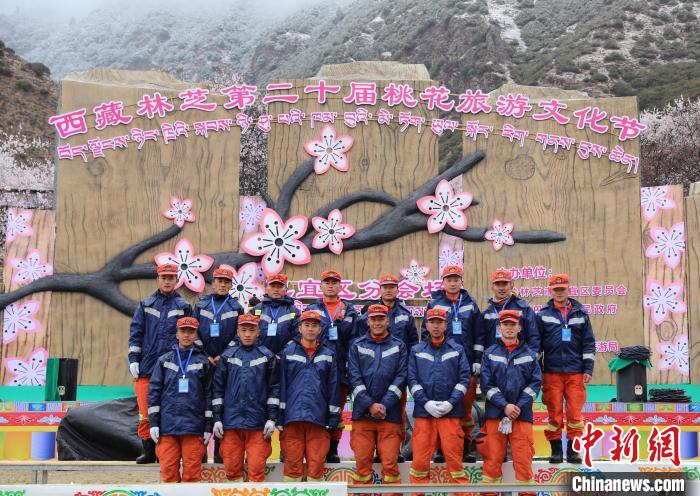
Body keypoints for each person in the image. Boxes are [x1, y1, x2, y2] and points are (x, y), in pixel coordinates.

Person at [128, 263, 192, 464]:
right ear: (158, 279)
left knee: (172, 411)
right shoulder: (145, 305)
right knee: (145, 412)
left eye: (171, 278)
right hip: (147, 368)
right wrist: (133, 359)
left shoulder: (183, 306)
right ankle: (148, 451)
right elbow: (136, 334)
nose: (167, 281)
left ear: (176, 280)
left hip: (174, 369)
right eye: (164, 277)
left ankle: (170, 453)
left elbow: (190, 337)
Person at [477, 309, 542, 493]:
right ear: (499, 328)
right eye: (505, 324)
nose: (509, 328)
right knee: (492, 463)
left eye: (513, 324)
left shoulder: (530, 355)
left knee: (524, 463)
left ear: (519, 328)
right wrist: (505, 406)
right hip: (495, 416)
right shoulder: (489, 354)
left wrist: (517, 407)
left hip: (521, 416)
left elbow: (535, 385)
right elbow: (487, 385)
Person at [422, 265, 482, 462]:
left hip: (466, 366)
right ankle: (440, 449)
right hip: (441, 366)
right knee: (441, 407)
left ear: (461, 281)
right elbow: (426, 332)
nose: (453, 283)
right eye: (449, 280)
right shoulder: (435, 303)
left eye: (456, 280)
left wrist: (477, 359)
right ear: (443, 282)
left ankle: (465, 448)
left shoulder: (470, 303)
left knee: (465, 410)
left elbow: (479, 333)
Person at [212, 314, 279, 482]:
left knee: (257, 469)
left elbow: (274, 389)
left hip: (258, 424)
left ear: (258, 332)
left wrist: (272, 418)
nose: (247, 334)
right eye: (243, 330)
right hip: (231, 423)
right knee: (232, 469)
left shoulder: (267, 356)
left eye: (251, 330)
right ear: (238, 332)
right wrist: (217, 419)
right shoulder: (227, 356)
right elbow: (218, 389)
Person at [536, 274, 596, 464]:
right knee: (554, 414)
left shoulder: (581, 313)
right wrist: (538, 371)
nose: (559, 292)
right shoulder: (542, 315)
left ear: (569, 289)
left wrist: (588, 368)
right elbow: (537, 346)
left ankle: (573, 452)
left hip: (575, 372)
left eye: (562, 289)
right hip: (551, 373)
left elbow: (588, 343)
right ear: (550, 290)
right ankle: (555, 451)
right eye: (556, 289)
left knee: (575, 415)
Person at [409, 308, 471, 487]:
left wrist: (451, 403)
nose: (436, 326)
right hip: (424, 414)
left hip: (451, 414)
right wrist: (426, 403)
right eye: (432, 322)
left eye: (439, 322)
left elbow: (464, 379)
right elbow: (412, 380)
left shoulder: (457, 350)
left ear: (446, 325)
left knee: (455, 464)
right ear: (426, 325)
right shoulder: (416, 350)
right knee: (419, 464)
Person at [348, 304, 407, 486]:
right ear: (368, 322)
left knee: (390, 465)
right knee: (362, 465)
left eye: (381, 319)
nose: (377, 323)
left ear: (387, 321)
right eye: (373, 319)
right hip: (362, 415)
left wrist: (384, 404)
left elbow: (401, 377)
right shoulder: (357, 346)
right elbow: (354, 378)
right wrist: (370, 405)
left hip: (390, 415)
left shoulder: (399, 346)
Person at [147, 317, 213, 483]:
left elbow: (209, 395)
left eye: (191, 332)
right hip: (167, 427)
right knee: (168, 473)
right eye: (183, 331)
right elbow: (154, 392)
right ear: (177, 334)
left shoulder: (203, 362)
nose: (186, 335)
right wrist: (153, 423)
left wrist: (208, 426)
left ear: (196, 335)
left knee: (192, 475)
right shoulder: (164, 361)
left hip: (194, 427)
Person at [278, 310, 341, 482]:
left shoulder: (328, 354)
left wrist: (333, 417)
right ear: (300, 328)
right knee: (292, 467)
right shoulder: (288, 353)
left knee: (316, 466)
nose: (310, 329)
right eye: (307, 325)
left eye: (314, 325)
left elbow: (333, 387)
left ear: (320, 329)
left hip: (318, 418)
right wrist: (279, 417)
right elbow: (281, 385)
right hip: (292, 418)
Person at [305, 269, 358, 462]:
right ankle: (318, 448)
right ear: (320, 286)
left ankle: (333, 450)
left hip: (341, 370)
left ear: (340, 286)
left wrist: (351, 366)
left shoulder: (349, 310)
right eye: (327, 282)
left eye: (334, 282)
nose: (330, 285)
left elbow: (355, 340)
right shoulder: (312, 309)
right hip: (317, 370)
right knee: (318, 408)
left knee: (337, 409)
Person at [192, 265, 244, 462]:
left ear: (231, 285)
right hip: (203, 362)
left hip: (226, 363)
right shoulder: (201, 305)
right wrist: (204, 355)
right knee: (201, 403)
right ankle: (199, 454)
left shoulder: (237, 307)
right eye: (219, 281)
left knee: (223, 405)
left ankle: (221, 455)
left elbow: (240, 334)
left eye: (226, 282)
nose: (222, 285)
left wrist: (223, 355)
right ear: (213, 283)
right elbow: (193, 331)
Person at [481, 270, 540, 354]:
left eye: (505, 284)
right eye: (498, 284)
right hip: (493, 359)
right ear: (492, 287)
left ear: (511, 286)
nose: (501, 288)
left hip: (519, 359)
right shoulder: (486, 313)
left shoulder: (524, 310)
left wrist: (531, 358)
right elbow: (481, 339)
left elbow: (534, 337)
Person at [249, 274, 300, 354]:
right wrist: (262, 352)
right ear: (266, 288)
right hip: (259, 355)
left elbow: (297, 335)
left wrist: (284, 352)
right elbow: (247, 332)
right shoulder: (257, 309)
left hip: (284, 356)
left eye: (279, 286)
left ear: (286, 289)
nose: (276, 289)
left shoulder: (293, 310)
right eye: (272, 286)